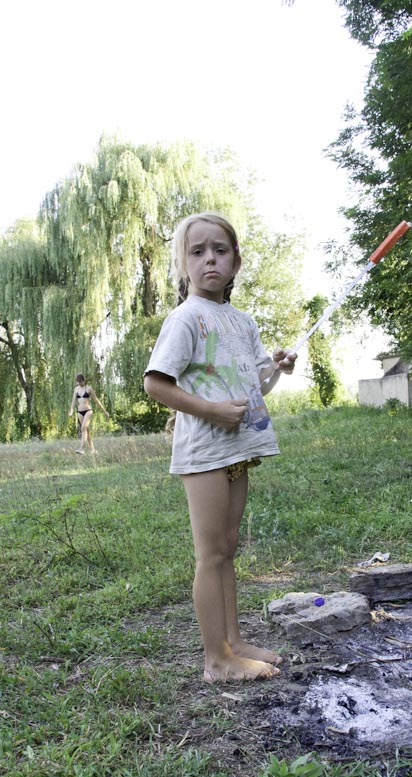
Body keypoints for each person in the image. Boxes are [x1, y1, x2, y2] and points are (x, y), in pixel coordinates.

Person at [144, 211, 296, 683]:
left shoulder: (242, 322)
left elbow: (254, 386)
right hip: (204, 453)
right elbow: (155, 384)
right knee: (210, 554)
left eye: (220, 250)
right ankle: (216, 660)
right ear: (183, 264)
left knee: (228, 547)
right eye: (198, 251)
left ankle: (234, 642)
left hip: (237, 450)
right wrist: (211, 411)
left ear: (236, 262)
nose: (210, 259)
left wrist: (277, 369)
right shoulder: (185, 318)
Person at [68, 373, 109, 454]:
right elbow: (73, 401)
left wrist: (104, 411)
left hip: (88, 411)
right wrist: (71, 410)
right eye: (78, 382)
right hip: (80, 412)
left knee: (83, 428)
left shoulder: (89, 389)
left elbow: (96, 400)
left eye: (81, 381)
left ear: (84, 380)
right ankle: (93, 450)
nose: (79, 383)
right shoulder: (76, 389)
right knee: (86, 431)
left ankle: (81, 448)